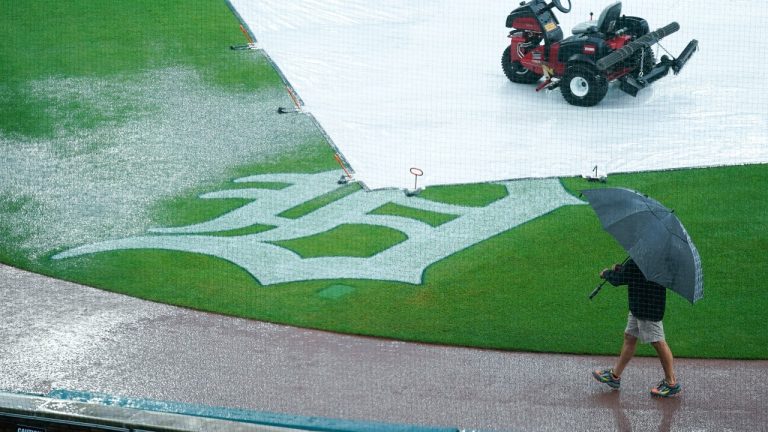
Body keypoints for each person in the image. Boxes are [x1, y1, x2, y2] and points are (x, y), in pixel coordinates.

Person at [591, 258, 682, 397]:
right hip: (641, 306)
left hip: (647, 309)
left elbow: (620, 279)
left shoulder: (640, 258)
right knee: (630, 337)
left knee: (658, 342)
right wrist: (621, 268)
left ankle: (671, 383)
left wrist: (607, 273)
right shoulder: (658, 258)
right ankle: (614, 376)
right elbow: (634, 273)